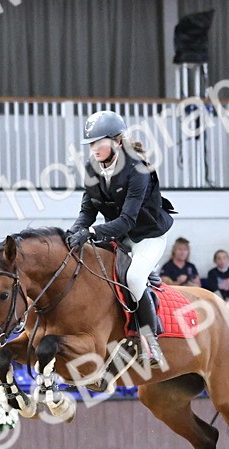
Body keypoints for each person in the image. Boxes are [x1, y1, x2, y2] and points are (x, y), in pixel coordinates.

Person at [66, 110, 175, 367]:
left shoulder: (137, 168)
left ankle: (151, 343)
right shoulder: (91, 168)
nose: (94, 149)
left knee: (135, 277)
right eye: (90, 144)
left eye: (98, 142)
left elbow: (128, 220)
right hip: (118, 236)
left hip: (147, 236)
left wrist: (91, 233)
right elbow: (87, 212)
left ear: (117, 141)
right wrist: (72, 234)